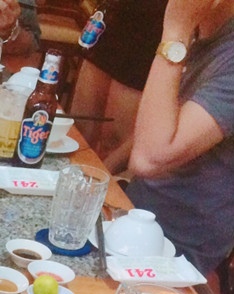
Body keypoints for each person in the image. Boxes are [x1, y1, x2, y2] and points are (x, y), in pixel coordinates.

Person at [127, 0, 234, 276]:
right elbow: (159, 126)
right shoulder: (205, 29)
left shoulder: (202, 37)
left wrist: (175, 31)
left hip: (175, 252)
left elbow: (148, 159)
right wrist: (103, 172)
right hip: (136, 218)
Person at [70, 0, 167, 172]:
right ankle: (65, 178)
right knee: (81, 125)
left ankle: (99, 182)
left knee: (113, 142)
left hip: (157, 25)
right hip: (115, 15)